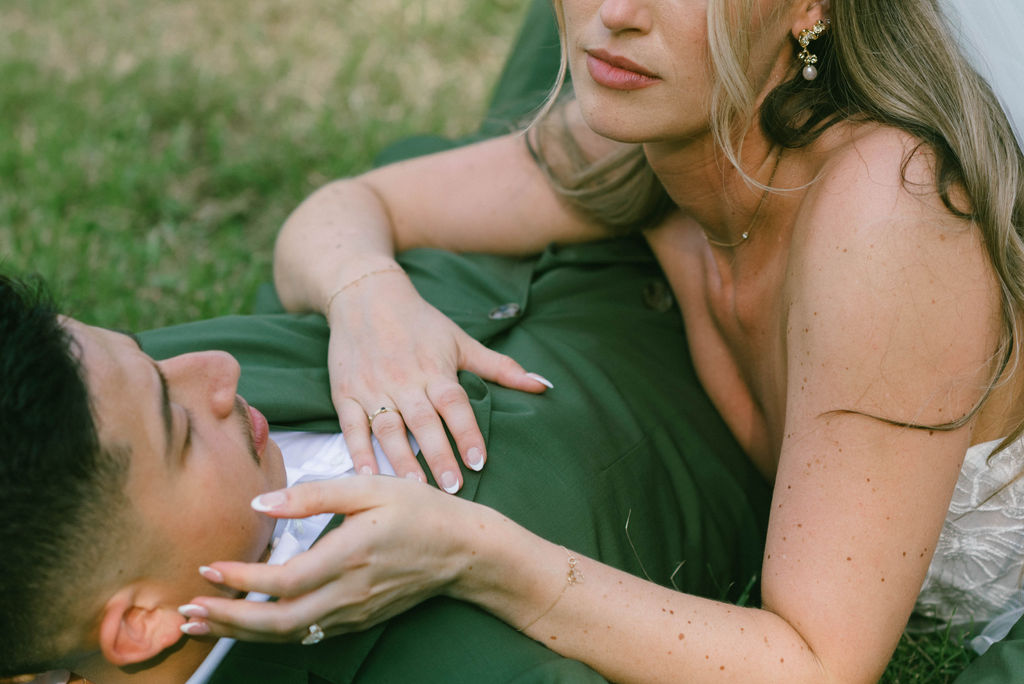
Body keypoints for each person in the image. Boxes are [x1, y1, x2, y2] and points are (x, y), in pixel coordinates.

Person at [167, 0, 1024, 682]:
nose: (615, 13)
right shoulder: (644, 133)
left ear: (810, 7)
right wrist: (368, 304)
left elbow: (815, 664)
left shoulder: (888, 209)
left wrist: (475, 552)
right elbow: (347, 210)